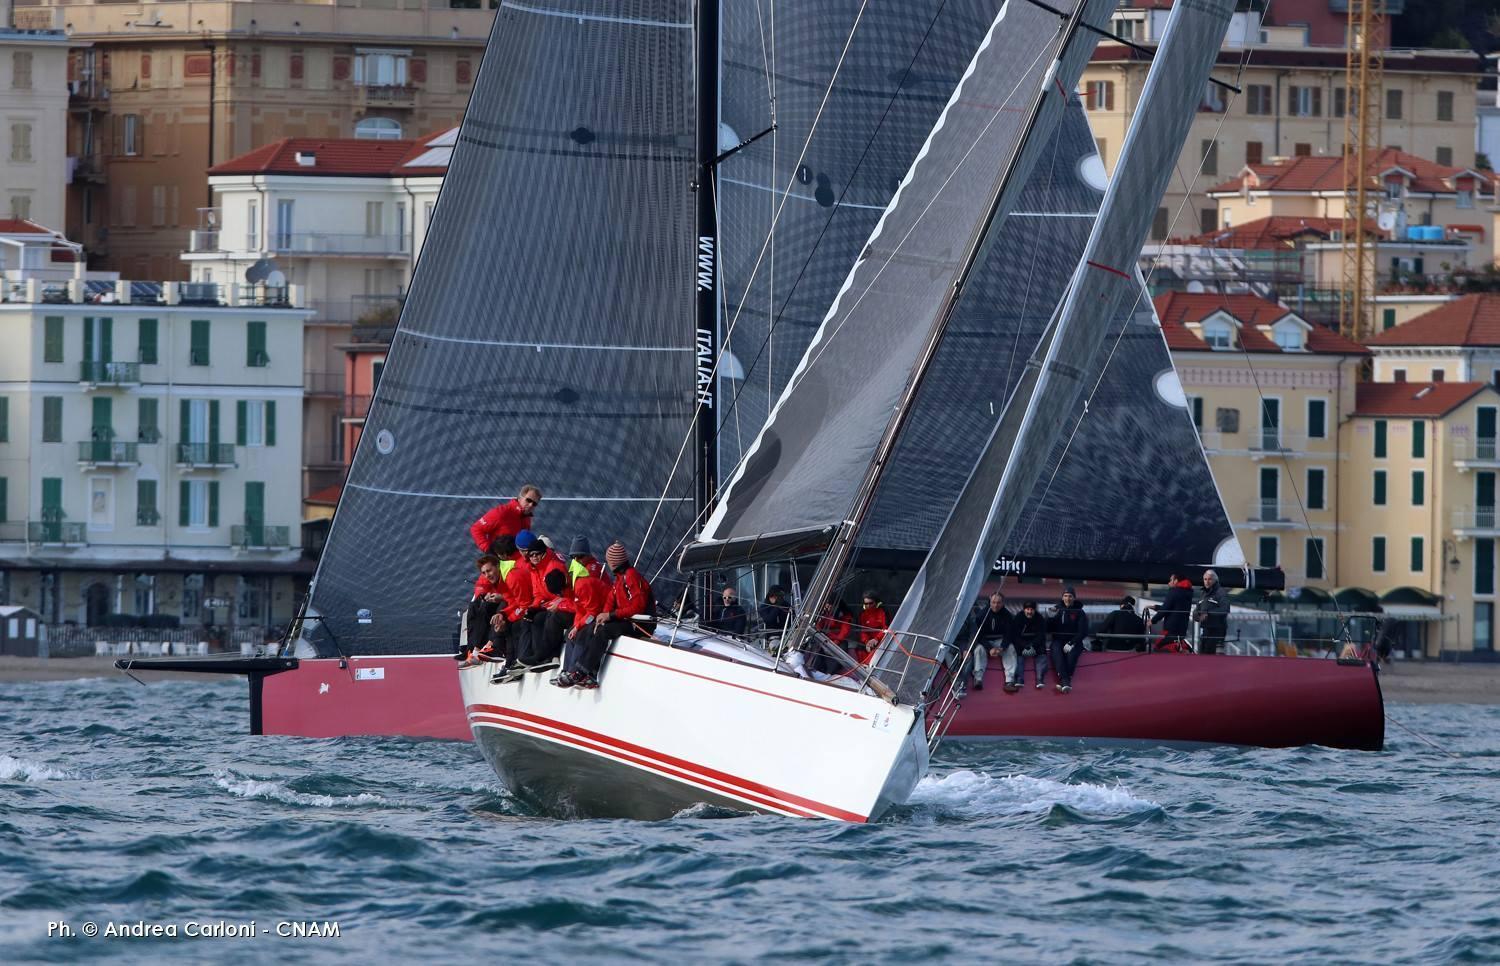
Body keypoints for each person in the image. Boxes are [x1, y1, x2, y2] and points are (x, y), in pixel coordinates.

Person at [576, 542, 656, 689]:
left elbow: (638, 606)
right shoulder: (620, 577)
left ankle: (582, 671)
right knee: (595, 627)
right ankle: (589, 674)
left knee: (604, 631)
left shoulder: (630, 576)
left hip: (640, 624)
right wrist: (604, 616)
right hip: (628, 620)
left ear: (613, 562)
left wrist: (611, 615)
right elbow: (611, 599)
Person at [556, 550, 612, 687]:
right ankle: (567, 671)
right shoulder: (575, 582)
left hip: (605, 611)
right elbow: (580, 610)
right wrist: (575, 626)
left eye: (559, 593)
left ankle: (576, 673)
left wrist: (578, 627)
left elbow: (592, 612)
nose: (560, 595)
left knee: (582, 634)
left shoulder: (581, 585)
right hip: (595, 612)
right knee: (571, 634)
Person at [458, 554, 507, 666]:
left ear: (498, 566)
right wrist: (485, 595)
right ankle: (472, 651)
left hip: (511, 603)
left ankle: (485, 649)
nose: (487, 575)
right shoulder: (487, 578)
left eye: (489, 571)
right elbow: (481, 586)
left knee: (491, 608)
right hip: (502, 599)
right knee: (475, 606)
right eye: (484, 573)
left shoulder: (509, 573)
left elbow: (515, 595)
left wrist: (501, 596)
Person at [468, 485, 541, 554]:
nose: (531, 505)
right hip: (498, 561)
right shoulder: (502, 512)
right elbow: (476, 529)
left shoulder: (527, 518)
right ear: (520, 498)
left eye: (534, 504)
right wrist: (489, 550)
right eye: (528, 500)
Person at [968, 592, 1012, 693]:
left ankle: (1010, 680)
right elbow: (978, 635)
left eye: (998, 603)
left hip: (999, 640)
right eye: (993, 602)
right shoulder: (981, 615)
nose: (996, 605)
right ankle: (978, 678)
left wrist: (1003, 647)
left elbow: (1009, 633)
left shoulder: (1007, 615)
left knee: (1011, 648)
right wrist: (989, 648)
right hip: (985, 641)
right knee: (978, 650)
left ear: (1002, 603)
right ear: (990, 602)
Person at [1048, 586, 1089, 693]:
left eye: (1070, 596)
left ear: (1074, 598)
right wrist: (1050, 618)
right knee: (1057, 652)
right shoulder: (1057, 609)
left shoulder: (1079, 612)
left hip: (1074, 641)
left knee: (1071, 655)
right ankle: (1066, 681)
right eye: (1065, 596)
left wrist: (1072, 643)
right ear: (1062, 598)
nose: (1067, 598)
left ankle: (1064, 681)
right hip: (1058, 640)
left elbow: (1083, 631)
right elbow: (1048, 628)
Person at [1008, 600, 1048, 691]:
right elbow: (1015, 635)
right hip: (1022, 642)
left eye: (1031, 609)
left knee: (1042, 651)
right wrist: (1025, 645)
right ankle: (1019, 678)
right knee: (1017, 653)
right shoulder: (1018, 617)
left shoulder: (1040, 618)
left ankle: (1040, 678)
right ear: (1024, 609)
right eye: (1027, 609)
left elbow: (1041, 635)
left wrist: (1032, 645)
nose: (1029, 612)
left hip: (1035, 642)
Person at [1149, 572, 1195, 651]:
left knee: (1157, 648)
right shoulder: (1188, 593)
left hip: (1171, 629)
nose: (1168, 583)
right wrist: (1156, 607)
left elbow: (1165, 609)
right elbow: (1175, 608)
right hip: (1182, 629)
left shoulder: (1174, 592)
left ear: (1176, 581)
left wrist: (1152, 621)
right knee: (1176, 646)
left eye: (1171, 580)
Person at [1194, 569, 1230, 655]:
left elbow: (1225, 609)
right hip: (1205, 629)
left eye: (1209, 579)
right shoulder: (1203, 593)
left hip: (1217, 630)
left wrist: (1208, 613)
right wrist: (1197, 616)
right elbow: (1196, 610)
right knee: (1202, 652)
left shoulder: (1220, 592)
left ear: (1215, 580)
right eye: (1205, 579)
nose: (1207, 582)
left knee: (1210, 655)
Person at [853, 590, 889, 665]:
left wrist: (876, 639)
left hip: (880, 639)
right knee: (860, 647)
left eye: (871, 603)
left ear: (876, 602)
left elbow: (886, 627)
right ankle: (863, 667)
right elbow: (862, 630)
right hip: (868, 641)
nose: (868, 606)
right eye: (866, 604)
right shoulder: (862, 614)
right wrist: (867, 642)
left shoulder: (883, 612)